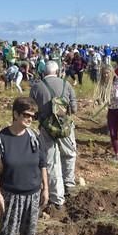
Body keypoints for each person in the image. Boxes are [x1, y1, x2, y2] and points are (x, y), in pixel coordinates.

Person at [0, 97, 48, 235]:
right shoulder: (0, 138)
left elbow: (42, 163)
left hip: (33, 195)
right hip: (11, 196)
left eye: (33, 116)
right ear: (15, 114)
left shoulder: (34, 137)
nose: (30, 119)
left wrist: (45, 188)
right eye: (26, 115)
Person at [30, 61, 77, 208]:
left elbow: (32, 109)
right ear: (58, 71)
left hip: (46, 127)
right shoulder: (66, 85)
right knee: (69, 154)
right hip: (65, 126)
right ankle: (69, 184)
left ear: (44, 72)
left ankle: (57, 198)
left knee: (51, 161)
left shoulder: (36, 87)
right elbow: (74, 108)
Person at [94, 65, 118, 159]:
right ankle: (117, 154)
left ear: (111, 72)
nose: (106, 75)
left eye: (107, 73)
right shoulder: (103, 83)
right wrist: (98, 101)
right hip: (111, 110)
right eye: (104, 74)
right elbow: (102, 96)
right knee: (112, 133)